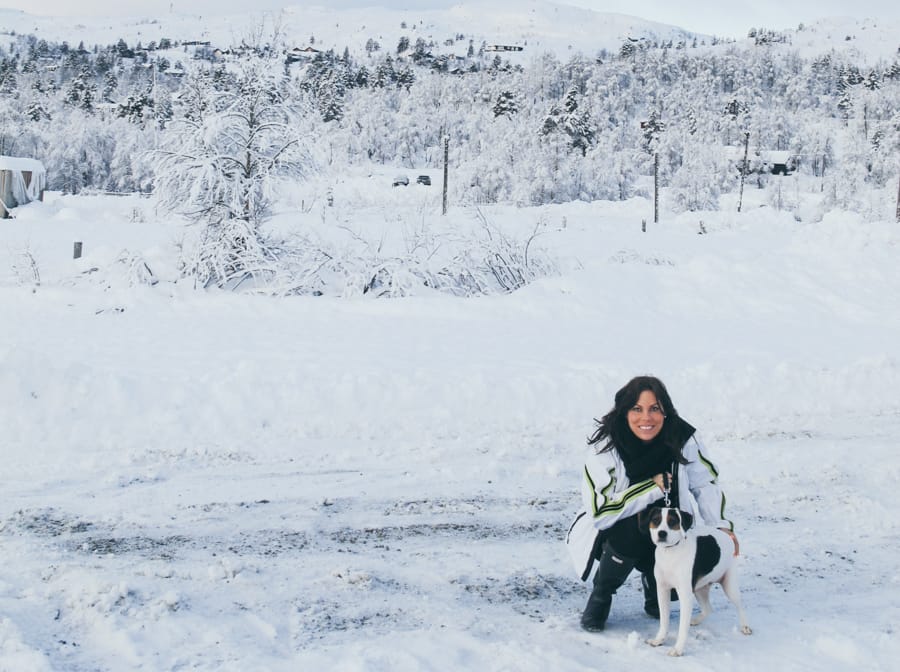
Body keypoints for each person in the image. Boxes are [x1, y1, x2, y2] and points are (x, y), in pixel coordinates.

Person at [565, 375, 739, 632]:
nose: (646, 418)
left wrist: (721, 525)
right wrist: (651, 488)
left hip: (668, 526)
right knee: (630, 533)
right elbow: (601, 512)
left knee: (673, 533)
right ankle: (602, 593)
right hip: (618, 528)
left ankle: (656, 586)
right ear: (624, 412)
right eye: (637, 409)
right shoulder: (606, 446)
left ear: (665, 412)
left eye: (654, 409)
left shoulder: (682, 437)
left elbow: (705, 484)